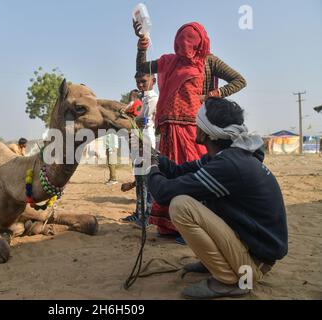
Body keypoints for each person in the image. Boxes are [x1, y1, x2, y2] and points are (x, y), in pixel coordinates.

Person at [145, 98, 288, 299]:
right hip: (252, 252)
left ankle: (227, 279)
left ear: (205, 130)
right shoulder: (225, 157)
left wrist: (148, 167)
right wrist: (152, 155)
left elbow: (163, 193)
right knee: (197, 196)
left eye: (198, 122)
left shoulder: (228, 165)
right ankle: (221, 264)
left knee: (181, 205)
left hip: (252, 266)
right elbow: (177, 172)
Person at [133, 21, 247, 237]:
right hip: (167, 130)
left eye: (190, 42)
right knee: (169, 173)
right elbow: (142, 69)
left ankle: (193, 225)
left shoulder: (208, 60)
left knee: (193, 174)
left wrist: (209, 96)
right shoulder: (168, 61)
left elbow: (239, 80)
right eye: (180, 42)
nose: (184, 46)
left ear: (199, 42)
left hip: (195, 130)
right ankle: (169, 225)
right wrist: (142, 46)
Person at [121, 72, 159, 227]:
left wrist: (130, 117)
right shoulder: (140, 98)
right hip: (136, 141)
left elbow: (142, 119)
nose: (140, 85)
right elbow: (129, 115)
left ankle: (147, 216)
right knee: (139, 179)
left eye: (143, 81)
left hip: (147, 142)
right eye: (138, 82)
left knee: (147, 181)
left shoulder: (153, 99)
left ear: (154, 81)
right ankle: (139, 212)